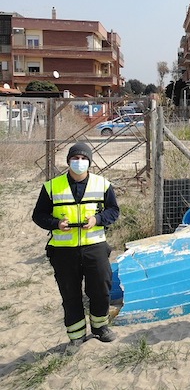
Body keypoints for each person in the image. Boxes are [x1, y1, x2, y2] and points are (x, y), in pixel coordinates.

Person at [32, 142, 120, 354]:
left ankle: (100, 328)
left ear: (89, 162)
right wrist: (56, 224)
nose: (79, 162)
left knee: (101, 288)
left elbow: (114, 211)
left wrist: (98, 219)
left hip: (95, 247)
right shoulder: (52, 186)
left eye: (83, 158)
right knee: (70, 293)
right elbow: (38, 215)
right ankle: (76, 336)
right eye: (75, 158)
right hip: (64, 251)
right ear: (68, 161)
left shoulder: (103, 184)